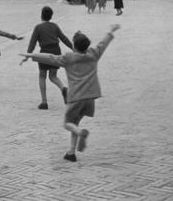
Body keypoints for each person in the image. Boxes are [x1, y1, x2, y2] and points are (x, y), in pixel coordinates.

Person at [20, 24, 121, 162]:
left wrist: (31, 55)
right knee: (75, 123)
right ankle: (71, 153)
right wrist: (110, 31)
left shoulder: (68, 58)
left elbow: (49, 57)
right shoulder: (93, 54)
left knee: (67, 124)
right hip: (90, 98)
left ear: (74, 47)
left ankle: (81, 133)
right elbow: (103, 43)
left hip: (75, 98)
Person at [20, 6, 73, 110]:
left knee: (42, 76)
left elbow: (32, 43)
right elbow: (64, 38)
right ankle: (63, 88)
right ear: (51, 16)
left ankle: (44, 102)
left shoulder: (38, 27)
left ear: (41, 15)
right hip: (56, 51)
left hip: (44, 53)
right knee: (53, 76)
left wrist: (27, 56)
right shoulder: (55, 26)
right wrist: (74, 48)